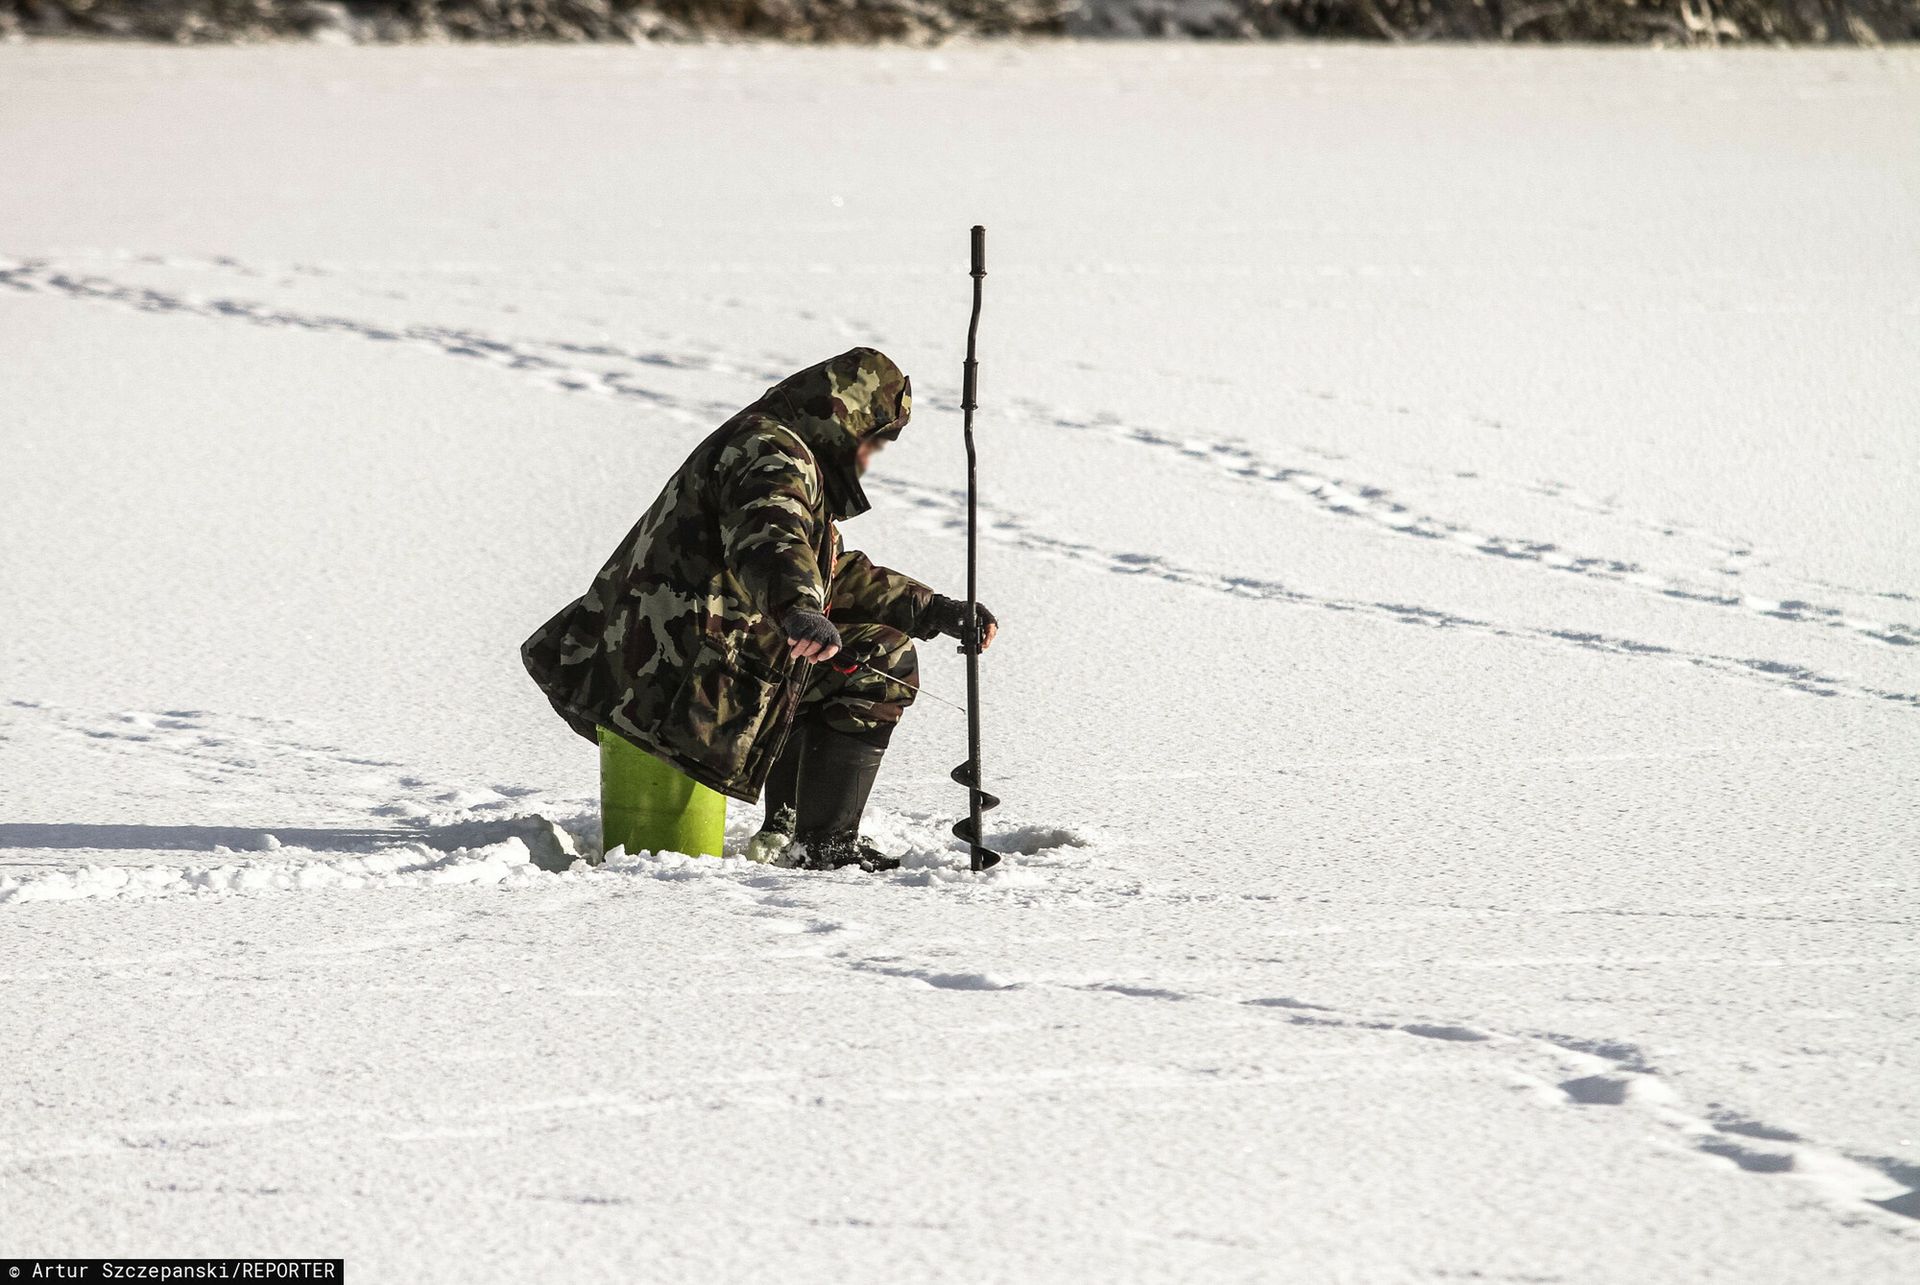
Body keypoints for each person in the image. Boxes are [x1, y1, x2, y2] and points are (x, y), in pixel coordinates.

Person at [520, 347, 997, 873]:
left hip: (657, 667)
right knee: (883, 660)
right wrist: (798, 608)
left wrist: (934, 609)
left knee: (841, 651)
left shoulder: (773, 448)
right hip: (674, 681)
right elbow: (770, 539)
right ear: (844, 419)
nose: (869, 457)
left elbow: (828, 568)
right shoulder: (771, 454)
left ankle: (790, 828)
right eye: (872, 441)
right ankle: (821, 846)